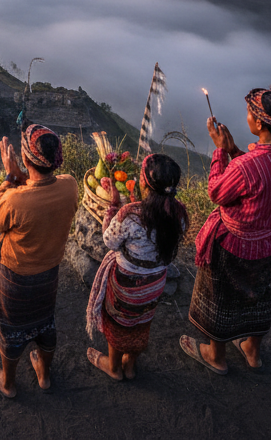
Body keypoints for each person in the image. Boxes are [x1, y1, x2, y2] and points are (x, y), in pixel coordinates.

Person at [180, 88, 271, 374]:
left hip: (235, 245)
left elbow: (217, 192)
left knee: (220, 297)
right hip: (269, 241)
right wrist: (234, 150)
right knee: (257, 294)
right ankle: (252, 350)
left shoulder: (248, 166)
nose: (247, 117)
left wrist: (220, 152)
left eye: (250, 112)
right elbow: (261, 183)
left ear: (259, 124)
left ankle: (216, 356)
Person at [0, 124, 78, 398]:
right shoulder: (70, 186)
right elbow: (40, 186)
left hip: (15, 279)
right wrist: (21, 175)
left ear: (25, 160)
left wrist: (9, 178)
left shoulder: (15, 200)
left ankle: (8, 383)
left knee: (10, 332)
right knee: (45, 324)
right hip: (49, 275)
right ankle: (45, 375)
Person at [85, 153, 189, 380]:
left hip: (126, 285)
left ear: (143, 183)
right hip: (154, 285)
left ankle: (114, 368)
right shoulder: (179, 214)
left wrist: (112, 212)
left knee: (118, 323)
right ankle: (129, 366)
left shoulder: (130, 216)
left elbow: (109, 242)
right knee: (141, 322)